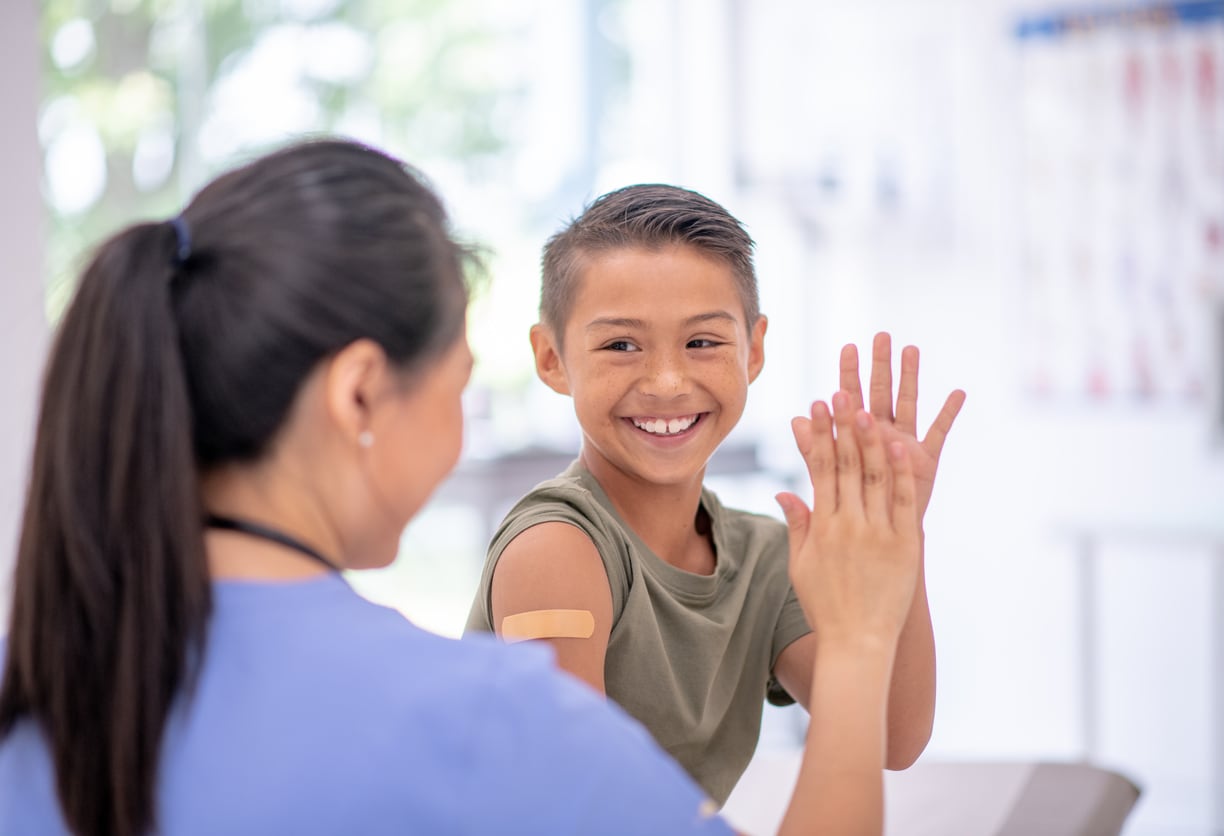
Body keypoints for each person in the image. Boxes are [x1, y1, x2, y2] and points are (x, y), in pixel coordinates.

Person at [0, 138, 923, 836]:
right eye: (458, 378)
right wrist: (859, 637)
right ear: (362, 391)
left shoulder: (47, 675)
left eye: (703, 340)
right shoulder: (485, 718)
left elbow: (899, 733)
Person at [465, 184, 966, 803]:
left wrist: (898, 534)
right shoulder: (556, 548)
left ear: (753, 350)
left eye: (702, 342)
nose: (668, 382)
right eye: (621, 345)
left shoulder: (767, 560)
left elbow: (892, 736)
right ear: (552, 359)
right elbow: (570, 805)